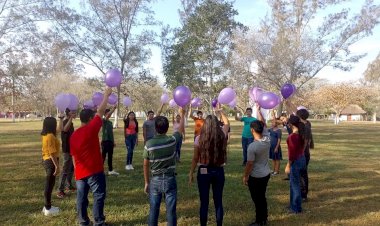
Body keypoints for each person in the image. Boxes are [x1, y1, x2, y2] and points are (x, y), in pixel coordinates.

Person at [70, 87, 112, 226]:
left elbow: (73, 156)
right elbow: (100, 112)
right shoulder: (91, 129)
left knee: (81, 198)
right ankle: (99, 222)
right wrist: (106, 95)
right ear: (89, 119)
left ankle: (83, 221)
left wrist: (76, 172)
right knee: (99, 195)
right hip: (94, 171)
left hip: (80, 173)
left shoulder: (74, 135)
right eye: (92, 117)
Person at [143, 107, 185, 226]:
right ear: (167, 128)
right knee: (171, 211)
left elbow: (145, 165)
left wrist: (146, 182)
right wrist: (182, 114)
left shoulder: (149, 144)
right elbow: (180, 130)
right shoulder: (172, 140)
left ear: (155, 128)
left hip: (155, 180)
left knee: (153, 210)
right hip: (170, 179)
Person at [189, 105, 230, 226]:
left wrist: (191, 172)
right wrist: (221, 111)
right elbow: (226, 123)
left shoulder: (199, 138)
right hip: (218, 171)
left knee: (204, 202)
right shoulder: (222, 135)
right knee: (218, 201)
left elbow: (195, 158)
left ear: (204, 125)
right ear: (218, 124)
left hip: (203, 171)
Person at [243, 120, 271, 226]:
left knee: (257, 199)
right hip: (266, 173)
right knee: (262, 197)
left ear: (252, 130)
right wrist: (259, 112)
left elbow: (249, 164)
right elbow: (264, 126)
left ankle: (259, 221)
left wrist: (245, 176)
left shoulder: (252, 147)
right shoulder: (267, 139)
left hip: (256, 176)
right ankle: (264, 218)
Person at [285, 115, 308, 214]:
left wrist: (288, 165)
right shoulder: (301, 134)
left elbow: (292, 154)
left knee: (295, 185)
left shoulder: (292, 137)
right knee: (295, 183)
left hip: (296, 161)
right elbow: (303, 147)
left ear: (290, 124)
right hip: (302, 159)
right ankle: (293, 205)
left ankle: (296, 208)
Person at [41, 116, 63, 216]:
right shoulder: (50, 136)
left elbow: (60, 129)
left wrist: (61, 119)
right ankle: (47, 208)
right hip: (51, 161)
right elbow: (52, 153)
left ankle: (47, 206)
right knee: (49, 185)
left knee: (50, 184)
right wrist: (57, 166)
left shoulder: (49, 134)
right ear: (51, 125)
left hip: (49, 161)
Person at [57, 108, 76, 198]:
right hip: (67, 150)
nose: (75, 113)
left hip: (72, 149)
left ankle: (69, 185)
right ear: (68, 113)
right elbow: (64, 130)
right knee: (65, 170)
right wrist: (71, 118)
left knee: (71, 168)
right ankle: (60, 190)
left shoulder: (70, 123)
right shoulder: (65, 122)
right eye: (73, 112)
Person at [296, 109, 314, 202]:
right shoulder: (307, 123)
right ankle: (302, 193)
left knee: (302, 174)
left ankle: (303, 195)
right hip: (304, 153)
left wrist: (301, 153)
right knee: (302, 173)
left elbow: (306, 141)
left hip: (304, 154)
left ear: (299, 116)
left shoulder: (305, 126)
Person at [102, 106, 118, 175]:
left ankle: (110, 170)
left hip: (110, 142)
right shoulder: (103, 121)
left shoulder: (110, 123)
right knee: (103, 157)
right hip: (105, 142)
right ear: (105, 114)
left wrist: (113, 141)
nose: (110, 114)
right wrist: (113, 109)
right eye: (108, 113)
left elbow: (111, 133)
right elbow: (107, 116)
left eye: (110, 113)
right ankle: (100, 170)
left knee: (110, 156)